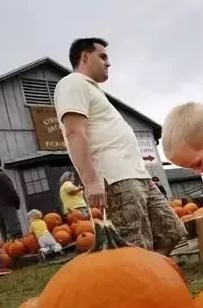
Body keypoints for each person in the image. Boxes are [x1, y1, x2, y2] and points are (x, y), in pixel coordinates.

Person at [54, 37, 186, 255]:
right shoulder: (72, 83)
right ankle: (139, 286)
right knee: (134, 246)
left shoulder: (93, 90)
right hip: (114, 178)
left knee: (171, 231)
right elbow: (74, 131)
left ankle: (153, 278)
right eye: (102, 56)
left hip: (138, 175)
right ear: (85, 57)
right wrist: (91, 182)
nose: (108, 63)